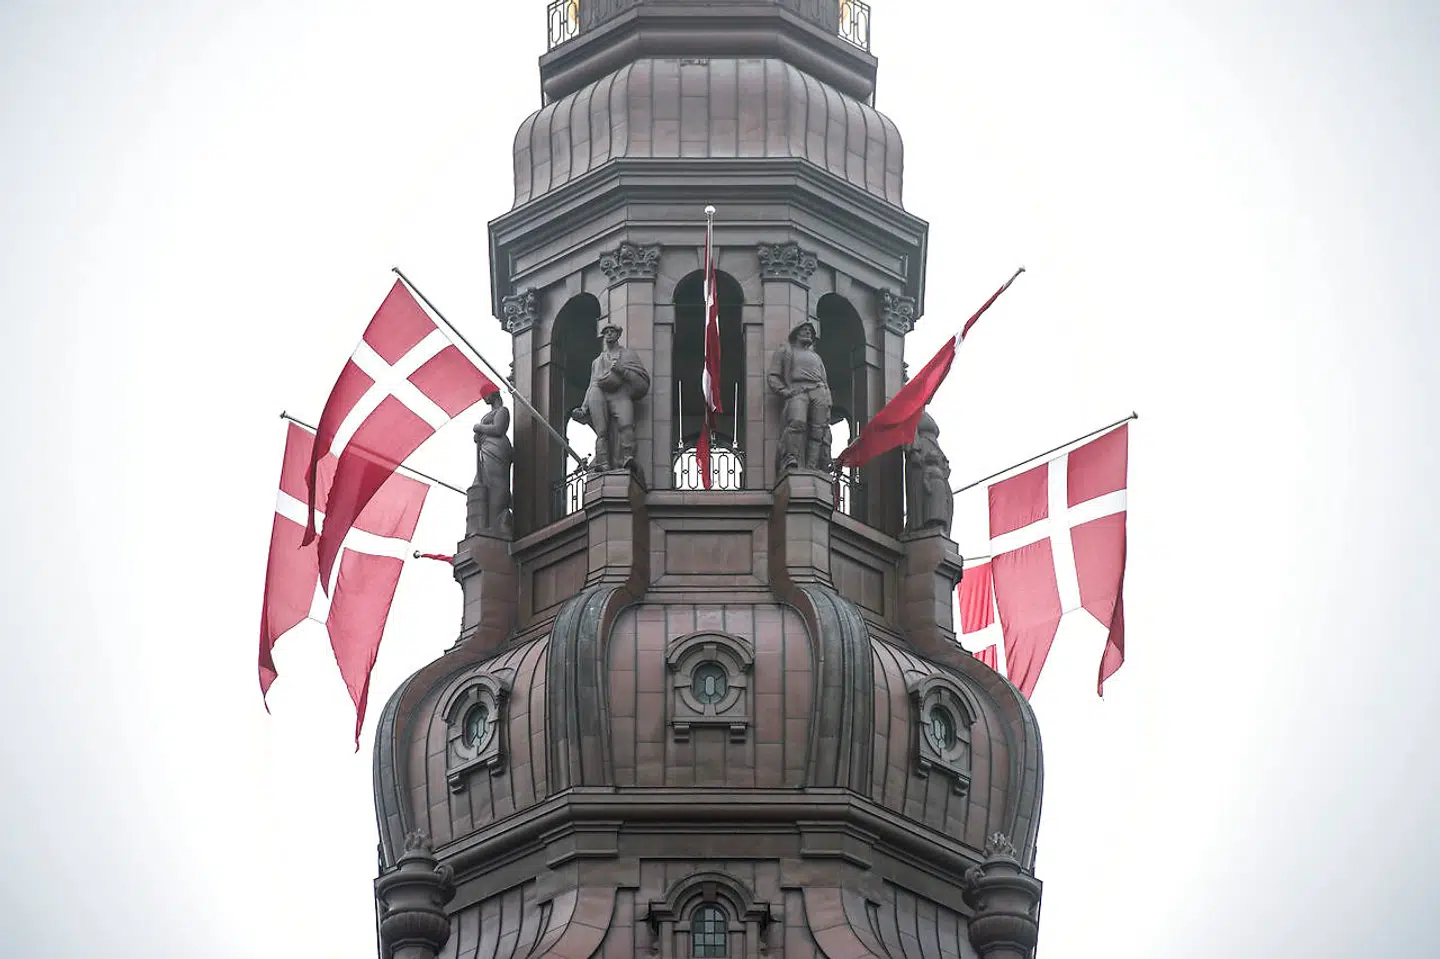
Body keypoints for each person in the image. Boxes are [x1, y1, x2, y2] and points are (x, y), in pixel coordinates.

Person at [571, 322, 650, 472]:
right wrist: (584, 407)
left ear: (618, 334)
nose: (609, 334)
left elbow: (642, 380)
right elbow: (592, 384)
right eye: (606, 332)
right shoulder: (597, 361)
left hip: (620, 394)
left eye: (612, 331)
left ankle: (628, 457)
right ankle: (603, 462)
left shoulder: (628, 355)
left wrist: (623, 371)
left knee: (626, 425)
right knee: (602, 431)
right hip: (599, 393)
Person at [766, 321, 831, 472]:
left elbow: (824, 380)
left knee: (818, 430)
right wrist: (784, 391)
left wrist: (828, 400)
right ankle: (790, 458)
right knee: (796, 422)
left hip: (819, 391)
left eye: (810, 331)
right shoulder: (786, 351)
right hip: (798, 390)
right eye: (804, 330)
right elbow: (773, 376)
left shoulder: (816, 357)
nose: (808, 333)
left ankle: (812, 466)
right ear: (796, 333)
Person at [468, 391, 513, 535]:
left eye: (485, 394)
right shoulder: (489, 414)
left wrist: (480, 428)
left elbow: (499, 429)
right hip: (486, 449)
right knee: (480, 484)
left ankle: (498, 518)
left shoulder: (502, 411)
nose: (483, 397)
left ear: (494, 394)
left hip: (497, 450)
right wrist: (478, 435)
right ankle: (483, 522)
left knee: (496, 483)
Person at [905, 411, 954, 535]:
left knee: (946, 495)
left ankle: (939, 524)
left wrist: (944, 460)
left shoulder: (925, 413)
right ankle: (922, 526)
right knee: (924, 492)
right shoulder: (911, 410)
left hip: (934, 454)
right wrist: (913, 451)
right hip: (922, 455)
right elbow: (909, 431)